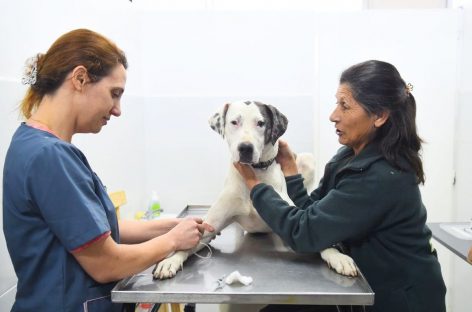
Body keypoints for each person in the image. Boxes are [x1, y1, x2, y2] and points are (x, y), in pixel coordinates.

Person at [2, 28, 214, 312]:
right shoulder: (49, 156)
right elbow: (105, 263)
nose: (117, 110)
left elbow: (92, 230)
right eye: (114, 94)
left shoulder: (32, 143)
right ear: (79, 79)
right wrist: (171, 241)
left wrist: (167, 226)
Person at [234, 60, 446, 312]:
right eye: (337, 103)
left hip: (402, 301)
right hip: (364, 291)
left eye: (344, 106)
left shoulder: (381, 177)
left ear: (379, 116)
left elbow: (305, 232)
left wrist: (254, 186)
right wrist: (291, 171)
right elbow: (314, 213)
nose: (333, 115)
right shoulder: (349, 157)